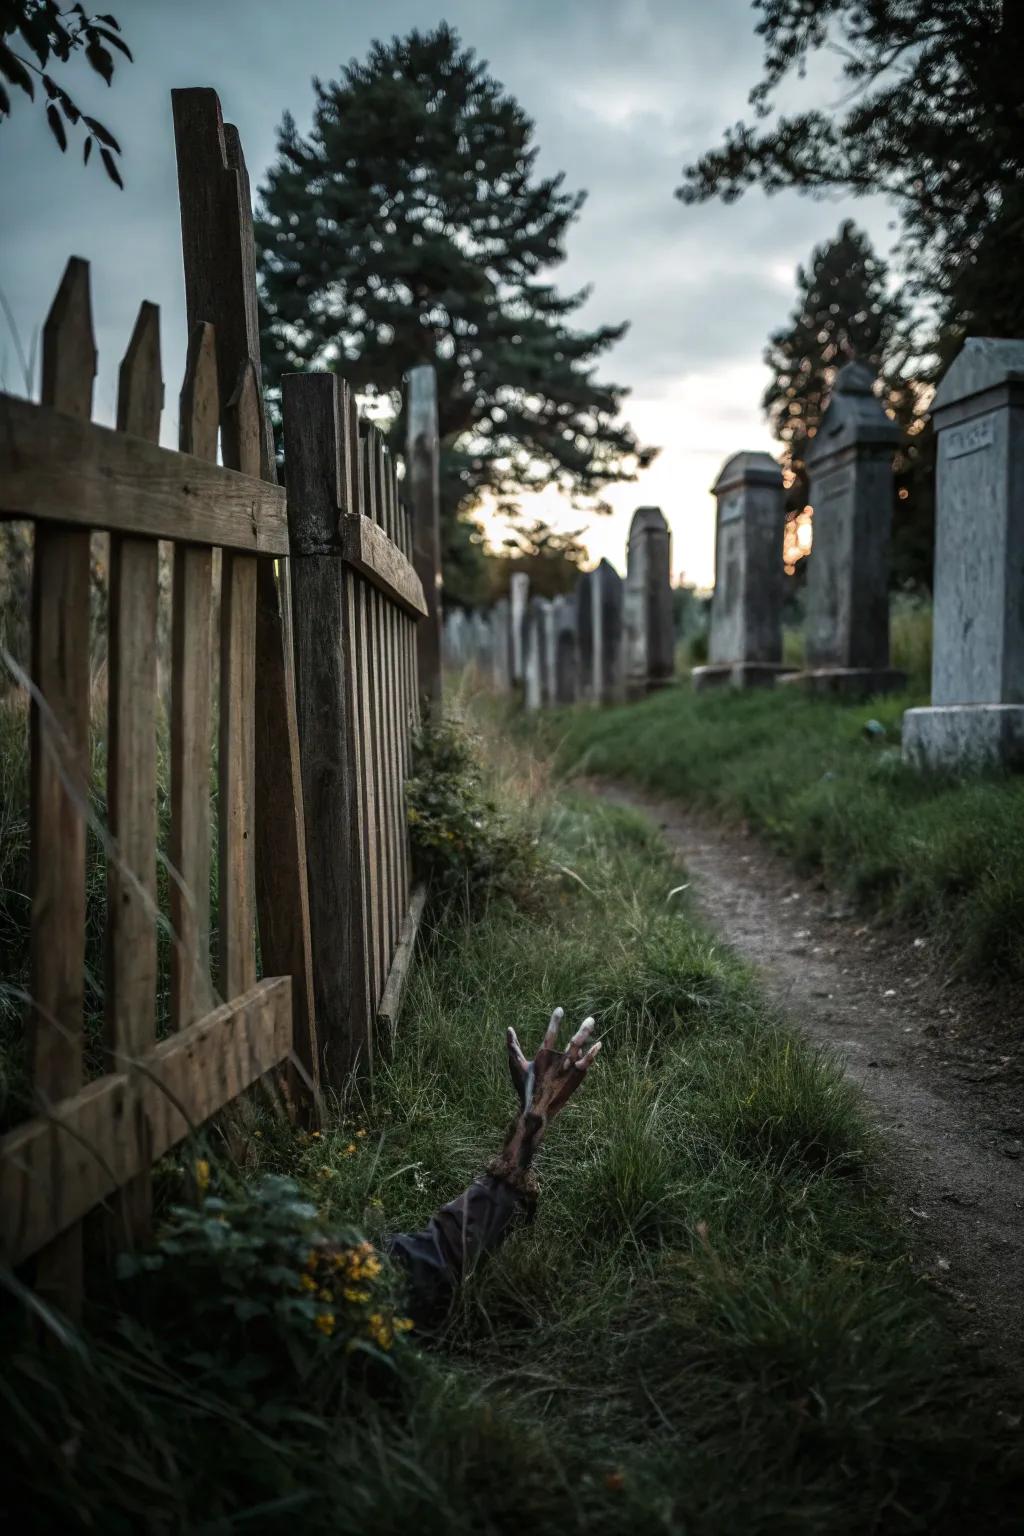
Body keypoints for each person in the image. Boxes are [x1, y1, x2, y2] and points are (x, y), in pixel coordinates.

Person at [386, 1009, 601, 1321]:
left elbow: (433, 1256)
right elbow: (435, 1260)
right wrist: (521, 1141)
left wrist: (531, 1119)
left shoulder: (333, 1269)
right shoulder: (343, 1282)